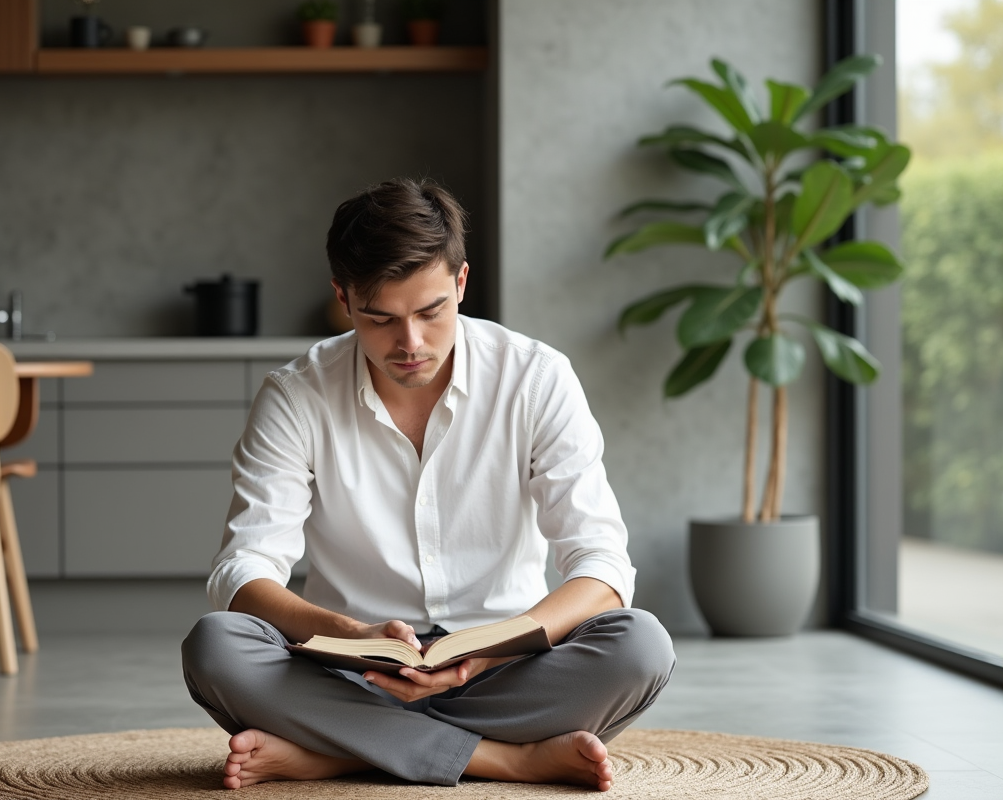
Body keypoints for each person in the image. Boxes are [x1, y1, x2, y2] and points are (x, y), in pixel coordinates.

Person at [181, 178, 675, 792]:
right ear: (343, 298)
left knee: (641, 647)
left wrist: (492, 649)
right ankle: (504, 759)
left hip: (506, 667)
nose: (410, 343)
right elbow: (242, 570)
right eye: (381, 318)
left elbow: (602, 566)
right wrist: (352, 636)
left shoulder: (537, 379)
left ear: (462, 283)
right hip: (348, 671)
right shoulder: (297, 395)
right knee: (217, 647)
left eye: (431, 311)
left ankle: (341, 749)